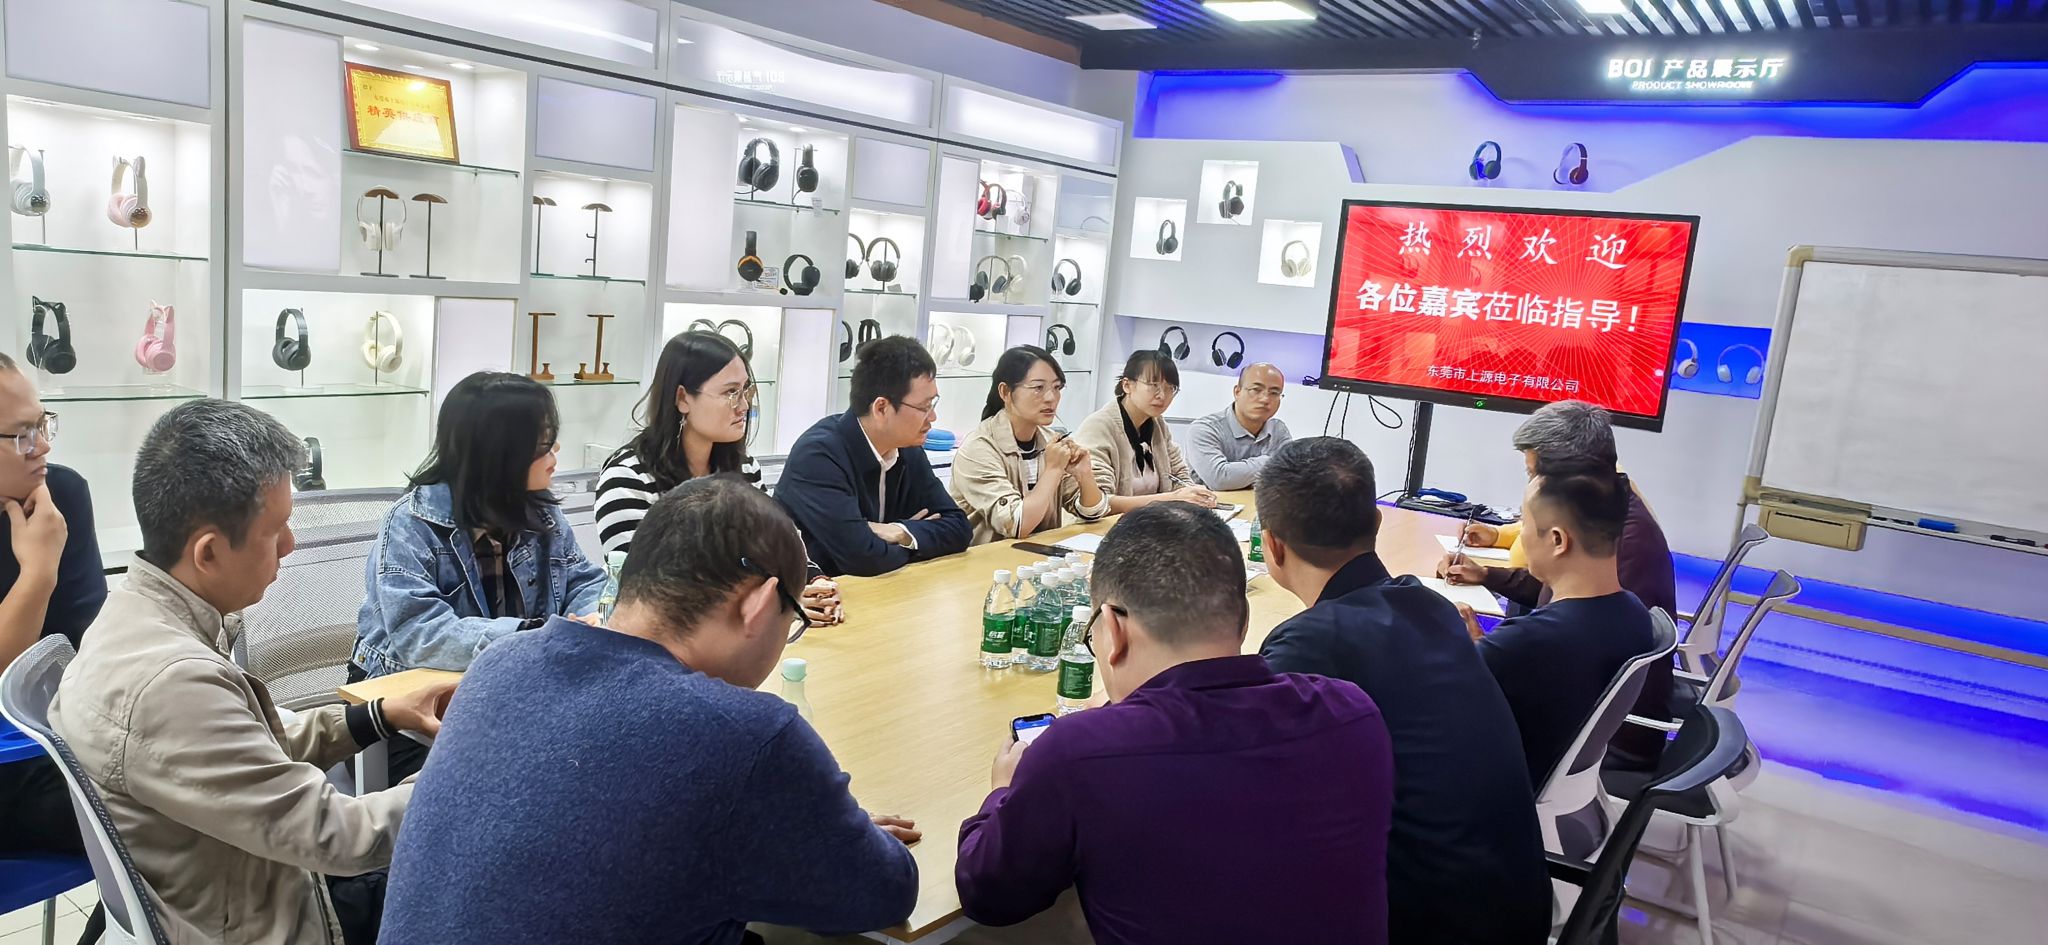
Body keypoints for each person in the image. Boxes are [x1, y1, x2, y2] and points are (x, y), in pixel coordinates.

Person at [380, 476, 919, 945]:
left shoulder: (500, 664)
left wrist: (801, 822)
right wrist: (822, 829)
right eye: (791, 619)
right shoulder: (748, 736)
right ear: (758, 604)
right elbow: (887, 891)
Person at [49, 399, 455, 945]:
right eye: (277, 529)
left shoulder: (132, 616)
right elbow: (339, 836)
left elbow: (249, 748)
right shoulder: (170, 683)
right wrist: (464, 771)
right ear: (209, 552)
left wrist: (376, 716)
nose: (291, 545)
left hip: (247, 886)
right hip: (270, 920)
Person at [955, 502, 1395, 945]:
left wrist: (1002, 793)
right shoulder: (1352, 713)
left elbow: (988, 895)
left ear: (1113, 629)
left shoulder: (1080, 753)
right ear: (1242, 621)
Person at [1254, 437, 1548, 945]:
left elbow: (1244, 792)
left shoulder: (1307, 648)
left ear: (1271, 546)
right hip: (1520, 905)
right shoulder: (1430, 606)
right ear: (1376, 523)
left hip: (1427, 924)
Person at [353, 372, 605, 780]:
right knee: (504, 780)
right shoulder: (411, 524)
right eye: (543, 442)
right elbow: (421, 634)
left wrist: (589, 618)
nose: (556, 450)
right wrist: (532, 634)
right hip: (406, 703)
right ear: (500, 452)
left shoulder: (540, 511)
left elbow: (584, 581)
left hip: (506, 686)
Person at [1437, 399, 1675, 769]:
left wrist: (1482, 653)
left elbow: (1455, 697)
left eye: (1534, 475)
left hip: (1576, 751)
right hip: (1568, 736)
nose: (1520, 536)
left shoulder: (1630, 547)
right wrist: (1486, 577)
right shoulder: (1619, 592)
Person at [597, 330, 843, 624]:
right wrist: (775, 602)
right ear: (682, 398)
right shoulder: (628, 478)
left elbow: (781, 542)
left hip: (748, 628)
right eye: (730, 393)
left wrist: (814, 582)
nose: (744, 405)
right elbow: (646, 594)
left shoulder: (744, 468)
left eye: (746, 390)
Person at [0, 356, 108, 945]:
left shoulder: (61, 496)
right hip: (14, 767)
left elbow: (85, 651)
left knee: (198, 808)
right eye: (21, 435)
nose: (41, 446)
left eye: (43, 425)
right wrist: (38, 575)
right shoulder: (48, 532)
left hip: (57, 749)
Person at [1466, 470, 1659, 789]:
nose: (1522, 537)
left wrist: (1461, 645)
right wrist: (1482, 649)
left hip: (1495, 789)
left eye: (1525, 525)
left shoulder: (1526, 641)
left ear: (1557, 540)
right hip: (1556, 777)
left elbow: (1435, 699)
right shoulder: (1635, 613)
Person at [775, 335, 970, 576]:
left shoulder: (908, 449)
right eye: (924, 407)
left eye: (933, 404)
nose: (932, 417)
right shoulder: (818, 456)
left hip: (889, 587)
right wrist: (918, 539)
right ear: (881, 408)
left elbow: (959, 528)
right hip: (824, 593)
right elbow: (863, 558)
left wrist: (899, 532)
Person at [948, 345, 1109, 544]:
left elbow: (1093, 511)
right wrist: (1053, 469)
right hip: (989, 559)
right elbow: (1016, 524)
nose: (1051, 398)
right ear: (1005, 392)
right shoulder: (978, 449)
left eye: (1057, 388)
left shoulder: (1051, 441)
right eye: (1038, 388)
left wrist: (1085, 475)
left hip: (1041, 556)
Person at [1071, 350, 1215, 513]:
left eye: (1170, 388)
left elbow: (1179, 476)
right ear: (1127, 385)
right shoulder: (1098, 427)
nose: (1162, 395)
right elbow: (1099, 501)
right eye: (1153, 385)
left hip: (1151, 521)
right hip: (1109, 525)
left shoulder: (1158, 424)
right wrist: (1173, 498)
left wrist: (1194, 494)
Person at [1186, 362, 1292, 490]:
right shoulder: (1204, 429)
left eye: (1274, 393)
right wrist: (1273, 461)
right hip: (1215, 502)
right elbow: (1220, 479)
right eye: (1256, 390)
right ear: (1237, 392)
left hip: (1261, 502)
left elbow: (1290, 474)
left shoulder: (1278, 430)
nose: (1265, 399)